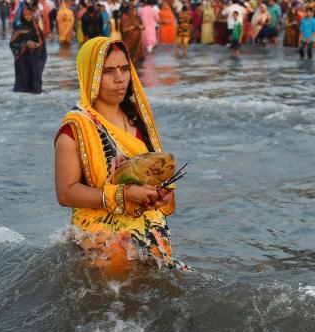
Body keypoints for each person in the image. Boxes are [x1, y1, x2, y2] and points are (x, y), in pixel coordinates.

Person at [54, 37, 190, 274]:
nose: (120, 78)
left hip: (148, 231)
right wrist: (123, 195)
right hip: (102, 240)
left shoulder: (138, 121)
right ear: (90, 76)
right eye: (108, 71)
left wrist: (158, 195)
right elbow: (66, 193)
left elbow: (151, 173)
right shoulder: (74, 130)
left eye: (124, 68)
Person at [10, 4, 47, 93]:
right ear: (22, 16)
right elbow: (12, 43)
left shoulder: (37, 29)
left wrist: (36, 45)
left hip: (34, 60)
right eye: (25, 15)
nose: (28, 17)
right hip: (22, 61)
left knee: (35, 87)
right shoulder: (18, 29)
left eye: (30, 14)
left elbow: (43, 45)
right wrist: (25, 44)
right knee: (22, 87)